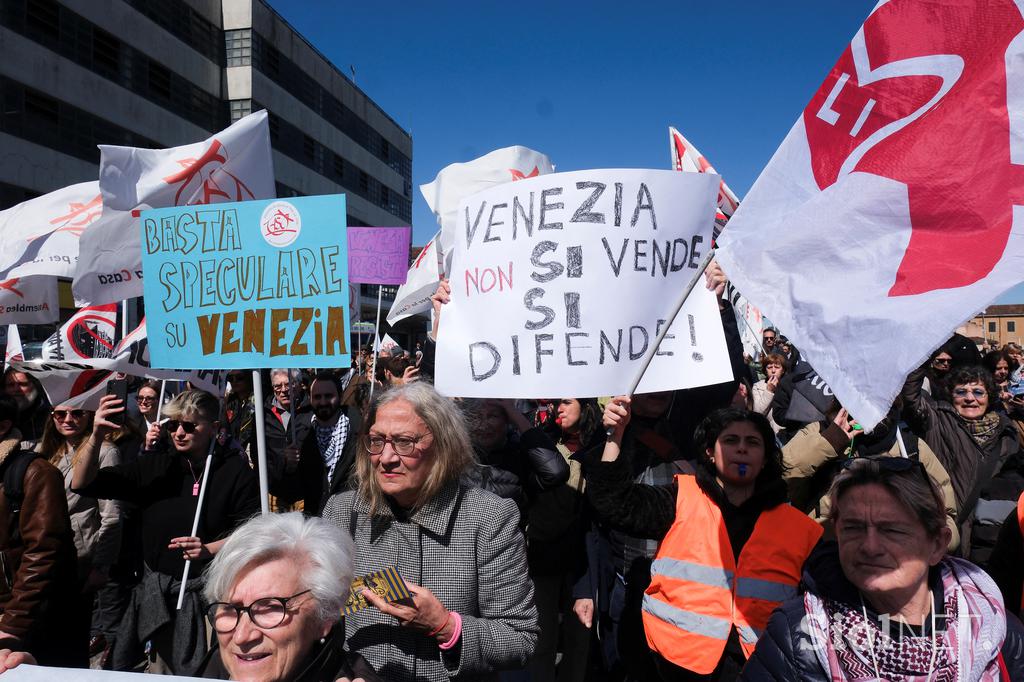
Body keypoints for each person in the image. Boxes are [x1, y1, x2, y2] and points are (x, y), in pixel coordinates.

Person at [587, 405, 823, 681]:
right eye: (730, 440)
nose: (742, 449)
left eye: (753, 442)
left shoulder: (800, 528)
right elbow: (615, 503)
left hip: (760, 664)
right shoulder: (682, 498)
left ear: (766, 458)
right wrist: (615, 436)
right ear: (710, 453)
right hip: (676, 663)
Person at [322, 382, 538, 681]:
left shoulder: (489, 519)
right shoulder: (342, 512)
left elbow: (520, 637)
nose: (386, 458)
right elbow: (321, 618)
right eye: (377, 440)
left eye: (404, 442)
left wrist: (446, 627)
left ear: (442, 444)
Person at [742, 456, 1024, 681]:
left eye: (892, 530)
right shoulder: (798, 634)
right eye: (853, 528)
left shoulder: (993, 625)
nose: (870, 546)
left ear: (937, 544)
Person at [71, 390, 260, 675]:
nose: (179, 433)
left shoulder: (234, 471)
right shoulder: (155, 465)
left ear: (215, 428)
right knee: (162, 671)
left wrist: (209, 548)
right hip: (160, 597)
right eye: (173, 425)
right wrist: (96, 436)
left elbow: (253, 531)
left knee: (214, 670)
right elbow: (83, 483)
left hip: (212, 596)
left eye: (189, 425)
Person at [196, 512, 381, 681]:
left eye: (270, 608)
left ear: (324, 618)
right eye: (230, 608)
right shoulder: (212, 669)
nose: (241, 637)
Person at [782, 402, 960, 548]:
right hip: (823, 559)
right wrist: (830, 441)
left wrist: (914, 541)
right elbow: (781, 475)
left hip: (892, 567)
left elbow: (946, 518)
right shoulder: (820, 432)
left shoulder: (911, 448)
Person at [902, 364, 1024, 566]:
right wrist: (923, 352)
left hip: (990, 540)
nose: (970, 398)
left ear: (989, 396)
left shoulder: (1007, 432)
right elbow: (910, 396)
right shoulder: (936, 420)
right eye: (961, 392)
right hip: (946, 536)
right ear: (950, 395)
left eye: (978, 392)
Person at [0, 394, 86, 667]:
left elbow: (44, 553)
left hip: (29, 622)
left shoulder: (36, 473)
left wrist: (13, 624)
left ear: (3, 426)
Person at [38, 403, 124, 664]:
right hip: (45, 555)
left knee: (75, 641)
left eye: (77, 413)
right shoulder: (44, 451)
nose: (68, 419)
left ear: (89, 415)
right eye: (60, 414)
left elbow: (112, 514)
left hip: (81, 559)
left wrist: (102, 566)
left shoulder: (106, 451)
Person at [528, 398, 605, 682]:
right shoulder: (544, 443)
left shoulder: (603, 444)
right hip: (544, 553)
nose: (558, 409)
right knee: (542, 637)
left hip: (583, 558)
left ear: (584, 406)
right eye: (555, 403)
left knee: (579, 637)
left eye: (565, 402)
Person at [277, 372, 361, 515]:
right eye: (317, 397)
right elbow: (290, 494)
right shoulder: (301, 436)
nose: (322, 402)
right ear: (310, 399)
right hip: (315, 520)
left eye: (328, 396)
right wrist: (289, 468)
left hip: (349, 518)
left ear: (340, 397)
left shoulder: (358, 431)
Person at [263, 368, 311, 511]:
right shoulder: (263, 415)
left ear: (299, 384)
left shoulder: (310, 411)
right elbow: (258, 453)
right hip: (275, 492)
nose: (283, 390)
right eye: (278, 386)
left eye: (289, 384)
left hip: (304, 492)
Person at [3, 369, 49, 446]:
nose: (16, 389)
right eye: (11, 385)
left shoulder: (51, 416)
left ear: (36, 385)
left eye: (23, 384)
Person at [751, 353, 787, 433]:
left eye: (777, 367)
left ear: (783, 370)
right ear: (765, 370)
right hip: (770, 431)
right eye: (769, 367)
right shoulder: (758, 386)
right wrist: (769, 391)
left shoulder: (789, 385)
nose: (773, 371)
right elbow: (757, 414)